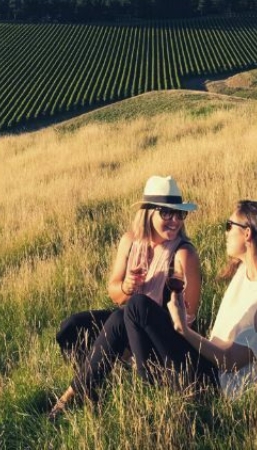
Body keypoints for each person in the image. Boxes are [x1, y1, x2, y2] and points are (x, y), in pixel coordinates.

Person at [49, 175, 201, 419]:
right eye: (166, 213)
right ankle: (91, 392)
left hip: (160, 338)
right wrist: (128, 286)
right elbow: (115, 292)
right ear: (148, 213)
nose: (175, 220)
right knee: (71, 327)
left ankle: (68, 398)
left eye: (180, 214)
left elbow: (188, 322)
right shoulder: (130, 242)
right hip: (127, 323)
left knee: (127, 313)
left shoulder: (184, 254)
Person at [123, 200, 257, 399]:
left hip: (219, 387)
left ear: (247, 233)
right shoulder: (246, 271)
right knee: (123, 315)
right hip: (209, 365)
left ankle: (149, 386)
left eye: (229, 226)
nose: (225, 232)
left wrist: (183, 329)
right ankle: (90, 385)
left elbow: (231, 360)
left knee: (138, 307)